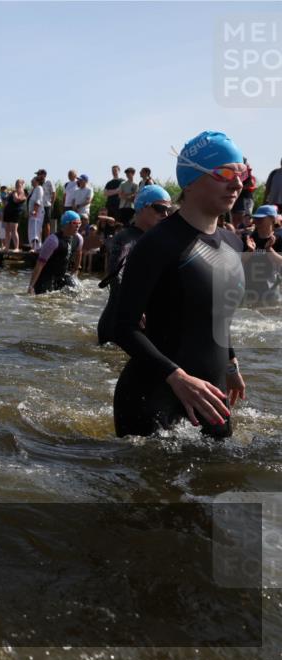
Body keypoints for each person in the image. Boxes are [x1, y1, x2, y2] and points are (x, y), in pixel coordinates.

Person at [112, 131, 248, 438]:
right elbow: (124, 327)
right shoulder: (158, 243)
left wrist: (230, 363)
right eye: (225, 173)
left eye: (242, 173)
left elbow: (218, 312)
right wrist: (177, 377)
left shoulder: (232, 242)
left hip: (211, 395)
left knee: (221, 480)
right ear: (190, 180)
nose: (237, 183)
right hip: (152, 396)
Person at [96, 184, 172, 344]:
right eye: (159, 208)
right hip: (118, 326)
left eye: (168, 210)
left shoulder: (157, 240)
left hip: (141, 324)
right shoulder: (125, 239)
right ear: (143, 207)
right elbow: (116, 276)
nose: (165, 214)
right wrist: (134, 309)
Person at [27, 210, 82, 294]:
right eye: (75, 223)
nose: (78, 226)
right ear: (66, 224)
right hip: (46, 277)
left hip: (62, 277)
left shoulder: (79, 239)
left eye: (79, 223)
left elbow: (79, 253)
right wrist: (31, 286)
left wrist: (75, 271)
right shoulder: (53, 241)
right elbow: (40, 264)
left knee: (77, 292)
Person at [240, 204, 282, 307]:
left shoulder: (279, 238)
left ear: (272, 219)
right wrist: (250, 251)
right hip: (249, 291)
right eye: (256, 218)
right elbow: (239, 262)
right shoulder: (248, 238)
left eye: (261, 218)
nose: (257, 221)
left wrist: (269, 249)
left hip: (272, 292)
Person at [2, 179, 25, 250]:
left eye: (18, 183)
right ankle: (7, 247)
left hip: (15, 213)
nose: (17, 185)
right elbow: (5, 202)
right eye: (16, 183)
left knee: (14, 230)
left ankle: (16, 248)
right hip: (7, 212)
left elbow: (16, 200)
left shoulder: (22, 192)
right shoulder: (13, 192)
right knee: (7, 231)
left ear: (22, 184)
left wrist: (14, 193)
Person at [27, 176, 46, 250]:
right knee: (32, 230)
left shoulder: (39, 188)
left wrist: (35, 210)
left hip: (37, 212)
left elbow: (38, 200)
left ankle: (36, 247)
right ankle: (34, 247)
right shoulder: (33, 189)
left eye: (33, 179)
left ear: (37, 181)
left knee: (35, 230)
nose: (31, 180)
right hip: (32, 213)